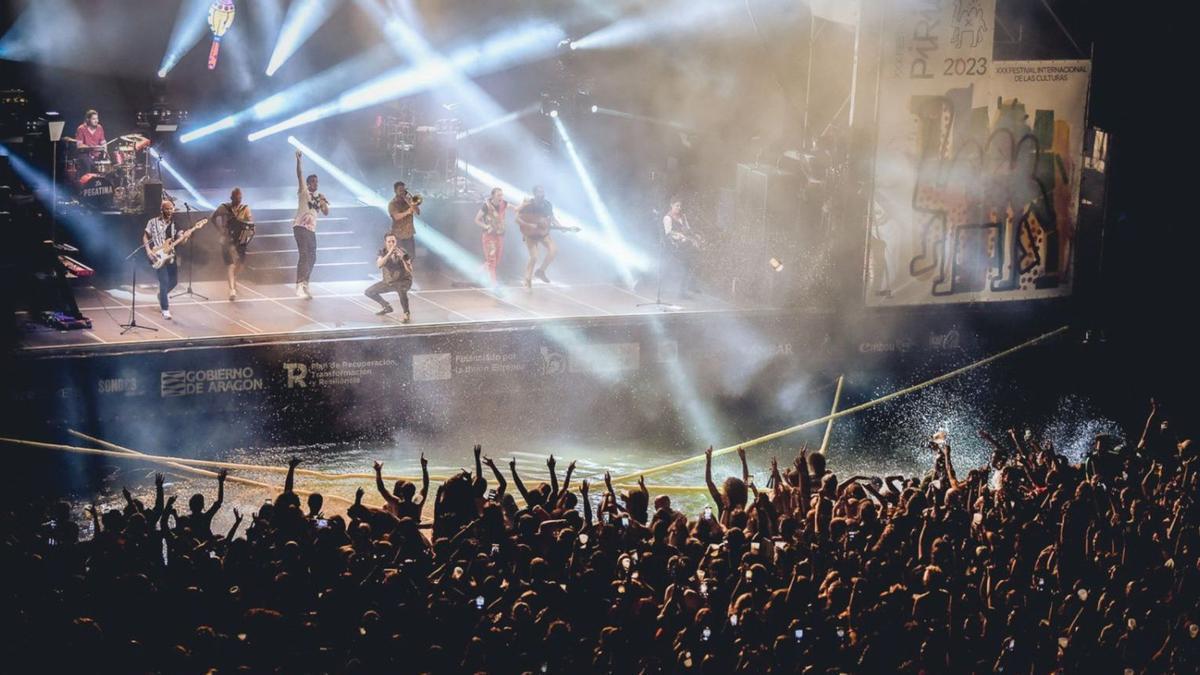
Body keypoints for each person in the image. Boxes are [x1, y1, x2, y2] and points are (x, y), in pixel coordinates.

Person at [142, 199, 196, 320]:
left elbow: (180, 240)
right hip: (158, 255)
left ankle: (161, 296)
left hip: (171, 256)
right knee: (164, 281)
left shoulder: (176, 224)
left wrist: (186, 237)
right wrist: (149, 251)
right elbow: (145, 236)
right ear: (162, 209)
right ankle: (165, 309)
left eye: (171, 208)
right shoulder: (152, 222)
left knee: (174, 281)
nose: (170, 211)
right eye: (167, 208)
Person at [292, 150, 328, 299]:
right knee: (304, 255)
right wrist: (299, 160)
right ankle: (299, 285)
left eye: (317, 181)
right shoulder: (303, 191)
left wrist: (323, 202)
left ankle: (306, 282)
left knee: (312, 257)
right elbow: (299, 175)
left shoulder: (319, 196)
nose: (316, 184)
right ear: (308, 183)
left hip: (311, 229)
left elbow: (326, 212)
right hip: (300, 227)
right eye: (313, 181)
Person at [210, 187, 254, 301]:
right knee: (231, 264)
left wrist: (248, 227)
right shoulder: (224, 207)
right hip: (227, 239)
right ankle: (232, 290)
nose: (238, 200)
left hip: (240, 239)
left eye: (240, 198)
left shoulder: (245, 208)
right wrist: (220, 229)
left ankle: (233, 277)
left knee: (240, 264)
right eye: (236, 198)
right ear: (232, 198)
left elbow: (250, 222)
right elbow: (213, 218)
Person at [515, 185, 563, 288]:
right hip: (530, 234)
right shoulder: (528, 205)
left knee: (553, 250)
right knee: (534, 256)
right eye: (539, 192)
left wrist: (560, 227)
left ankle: (541, 271)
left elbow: (552, 218)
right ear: (535, 194)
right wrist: (529, 225)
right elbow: (517, 219)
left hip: (542, 233)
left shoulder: (547, 205)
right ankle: (527, 279)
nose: (542, 194)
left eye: (543, 192)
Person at [364, 233, 413, 322]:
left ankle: (406, 313)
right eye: (389, 241)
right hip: (389, 281)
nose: (391, 243)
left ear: (396, 241)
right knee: (369, 292)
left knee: (401, 290)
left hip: (403, 281)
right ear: (385, 242)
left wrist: (404, 260)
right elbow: (379, 265)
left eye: (393, 241)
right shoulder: (382, 252)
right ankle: (386, 306)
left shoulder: (403, 252)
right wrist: (389, 253)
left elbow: (410, 270)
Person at [663, 197, 701, 299]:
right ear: (671, 205)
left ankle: (689, 286)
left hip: (685, 245)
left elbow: (688, 229)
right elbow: (668, 233)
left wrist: (695, 235)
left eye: (680, 206)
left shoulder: (683, 216)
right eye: (677, 206)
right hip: (675, 246)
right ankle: (684, 289)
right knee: (687, 265)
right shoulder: (668, 218)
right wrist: (679, 236)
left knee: (692, 261)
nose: (679, 208)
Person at [474, 187, 507, 286]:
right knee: (492, 261)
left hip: (499, 235)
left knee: (495, 261)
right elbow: (476, 219)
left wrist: (523, 205)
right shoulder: (486, 206)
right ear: (493, 196)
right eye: (498, 195)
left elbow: (515, 208)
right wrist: (486, 226)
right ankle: (494, 285)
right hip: (489, 236)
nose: (501, 197)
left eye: (502, 195)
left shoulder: (504, 204)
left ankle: (478, 272)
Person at [387, 181, 420, 263]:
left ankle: (407, 273)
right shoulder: (392, 203)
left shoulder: (409, 201)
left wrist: (409, 201)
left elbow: (418, 212)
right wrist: (407, 212)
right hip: (398, 235)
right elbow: (396, 217)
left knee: (411, 256)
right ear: (395, 191)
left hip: (409, 233)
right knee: (399, 257)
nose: (402, 192)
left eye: (403, 189)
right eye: (400, 190)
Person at [74, 109, 107, 176]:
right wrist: (92, 147)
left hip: (96, 155)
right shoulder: (81, 128)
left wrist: (105, 150)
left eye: (97, 118)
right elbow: (79, 145)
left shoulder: (99, 128)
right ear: (88, 120)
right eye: (93, 119)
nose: (96, 121)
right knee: (88, 165)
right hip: (84, 155)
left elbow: (103, 142)